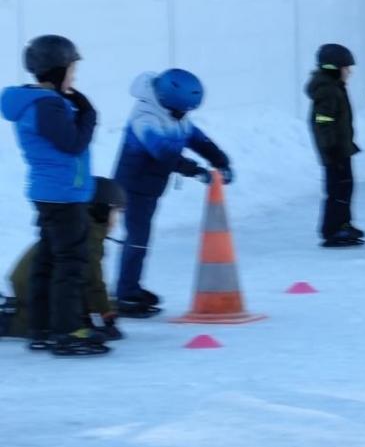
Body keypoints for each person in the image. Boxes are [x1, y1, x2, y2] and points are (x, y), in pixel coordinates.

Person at [0, 35, 104, 355]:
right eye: (71, 70)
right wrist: (88, 113)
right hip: (63, 195)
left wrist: (76, 105)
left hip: (53, 193)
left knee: (48, 259)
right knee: (70, 263)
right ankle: (67, 330)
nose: (74, 77)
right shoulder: (47, 105)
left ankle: (41, 327)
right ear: (57, 70)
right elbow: (72, 143)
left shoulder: (40, 103)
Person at [113, 68, 232, 316]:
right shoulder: (145, 118)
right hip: (132, 187)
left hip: (150, 186)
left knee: (141, 238)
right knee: (137, 238)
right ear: (168, 100)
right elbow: (163, 152)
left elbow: (197, 139)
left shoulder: (174, 115)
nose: (184, 115)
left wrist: (221, 161)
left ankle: (131, 287)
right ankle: (125, 294)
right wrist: (195, 170)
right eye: (181, 110)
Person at [7, 177, 126, 343]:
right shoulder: (90, 235)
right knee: (43, 323)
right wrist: (105, 313)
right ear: (101, 209)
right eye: (115, 213)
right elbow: (92, 281)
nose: (116, 221)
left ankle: (15, 311)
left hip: (30, 283)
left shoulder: (75, 225)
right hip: (35, 288)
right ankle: (10, 321)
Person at [307, 43, 363, 248]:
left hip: (341, 148)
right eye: (346, 68)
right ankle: (333, 229)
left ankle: (343, 223)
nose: (349, 72)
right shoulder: (328, 90)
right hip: (335, 151)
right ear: (334, 68)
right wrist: (331, 148)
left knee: (345, 187)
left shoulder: (335, 87)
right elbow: (322, 122)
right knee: (337, 189)